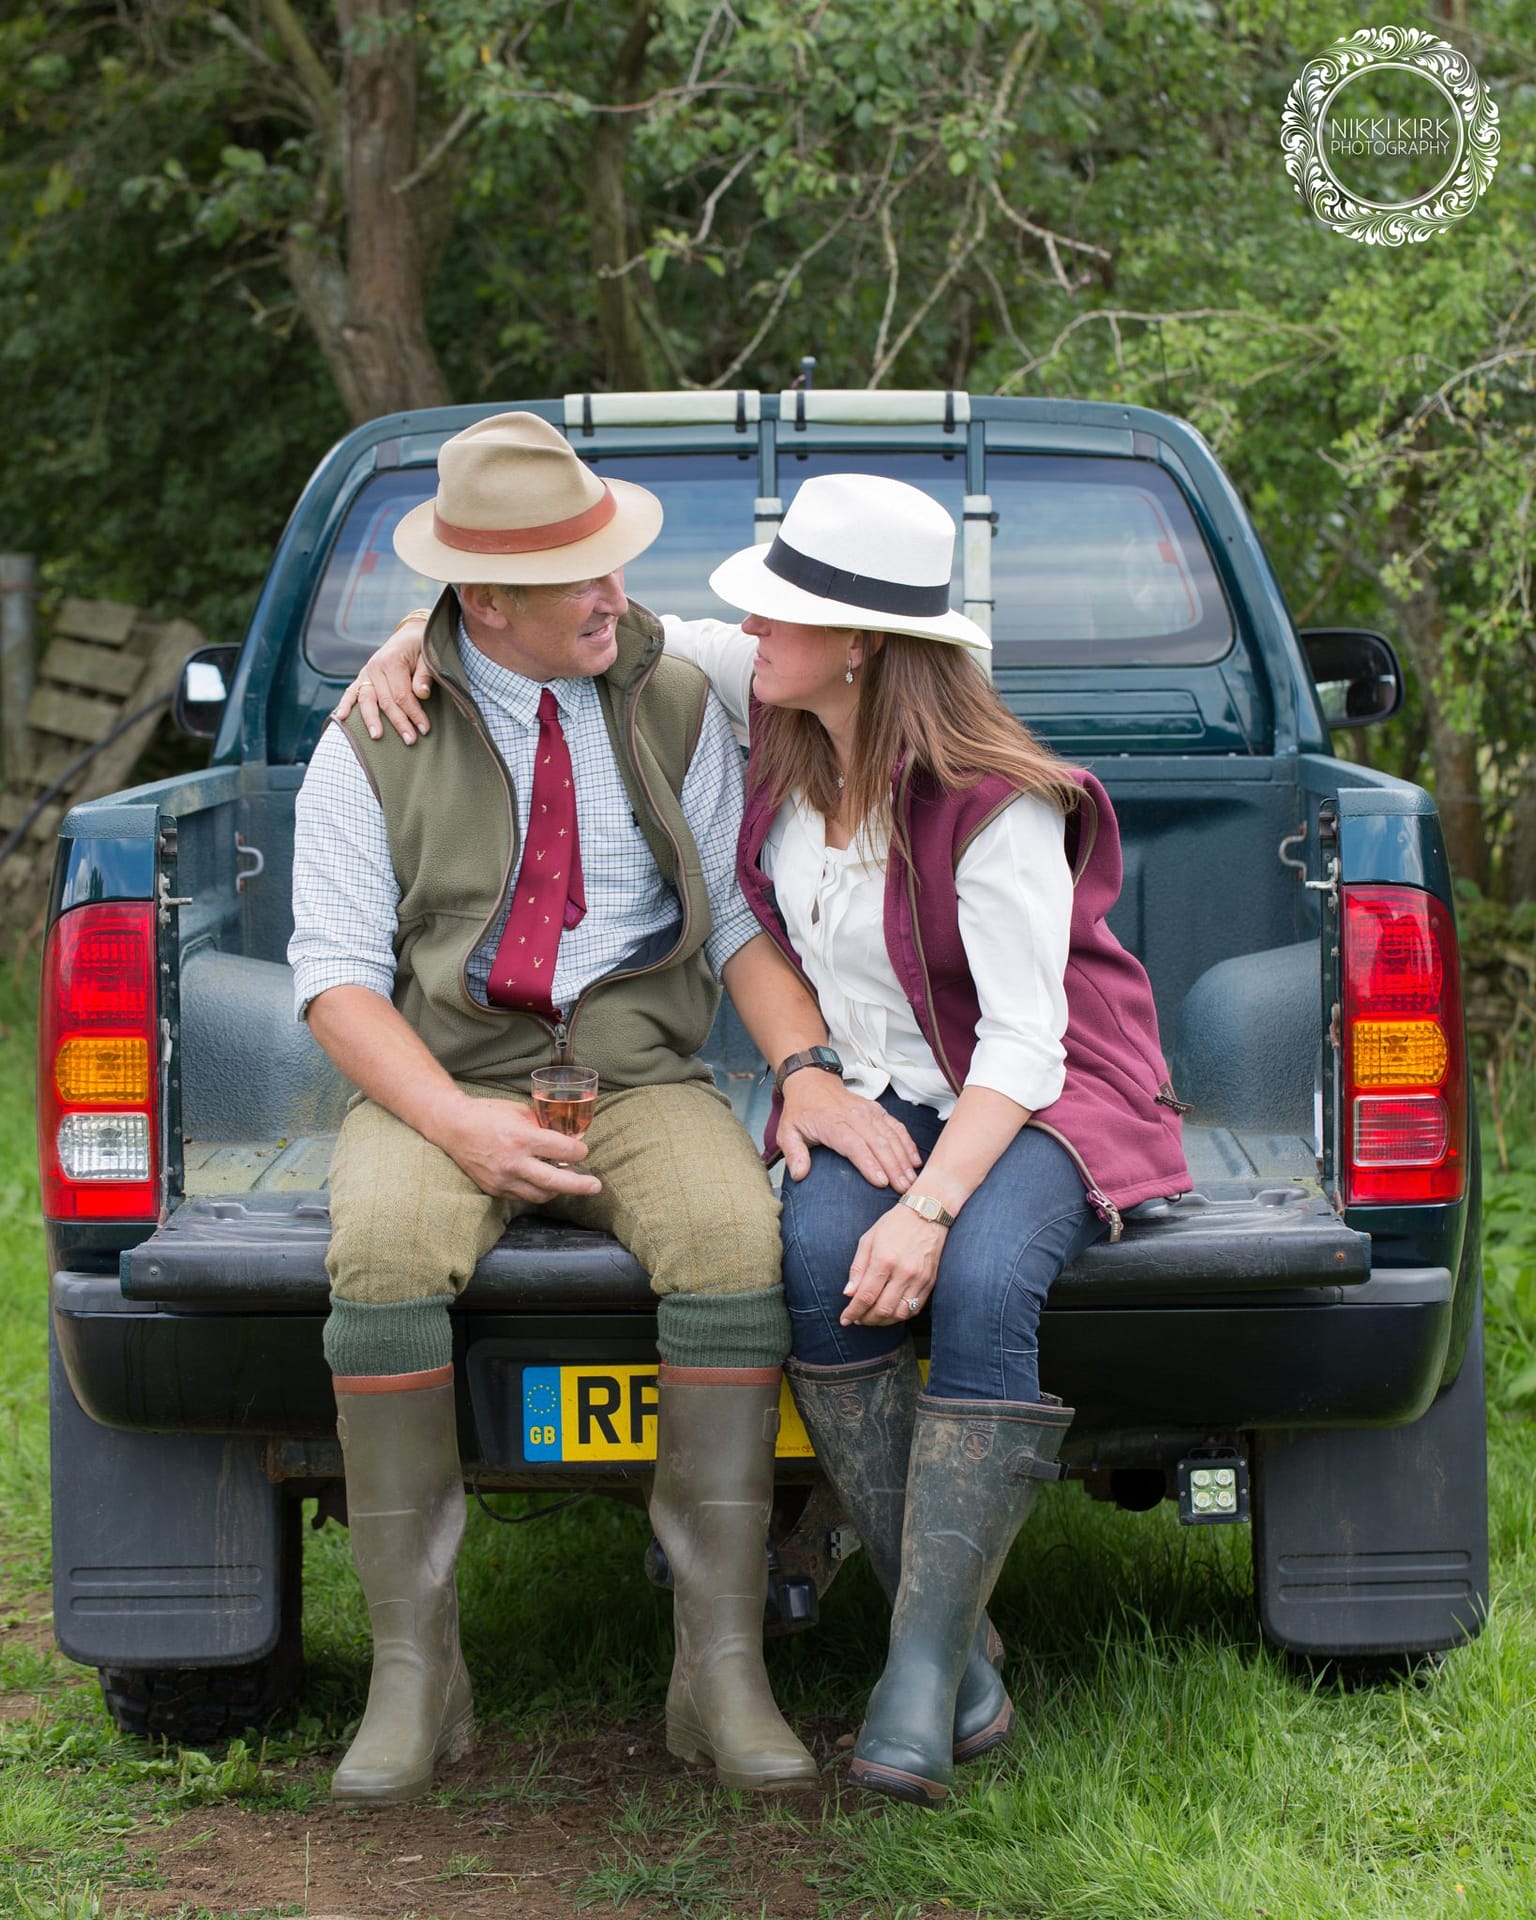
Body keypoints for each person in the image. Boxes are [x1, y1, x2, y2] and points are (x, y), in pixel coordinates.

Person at [347, 467, 1191, 1809]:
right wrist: (426, 632)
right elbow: (579, 628)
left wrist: (927, 1212)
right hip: (885, 1086)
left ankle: (925, 1671)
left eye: (781, 614)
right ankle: (959, 1634)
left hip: (1036, 1094)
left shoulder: (997, 800)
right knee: (813, 1268)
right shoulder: (786, 716)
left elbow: (1027, 1048)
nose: (750, 633)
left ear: (858, 642)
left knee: (973, 1282)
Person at [292, 414, 917, 1805]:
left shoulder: (677, 690)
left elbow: (738, 906)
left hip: (636, 1073)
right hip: (441, 1074)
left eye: (610, 563)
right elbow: (335, 983)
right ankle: (417, 1678)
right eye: (575, 575)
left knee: (731, 1241)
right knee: (382, 1253)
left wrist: (803, 1064)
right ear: (485, 604)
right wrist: (459, 1127)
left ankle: (719, 1670)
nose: (613, 591)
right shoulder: (370, 741)